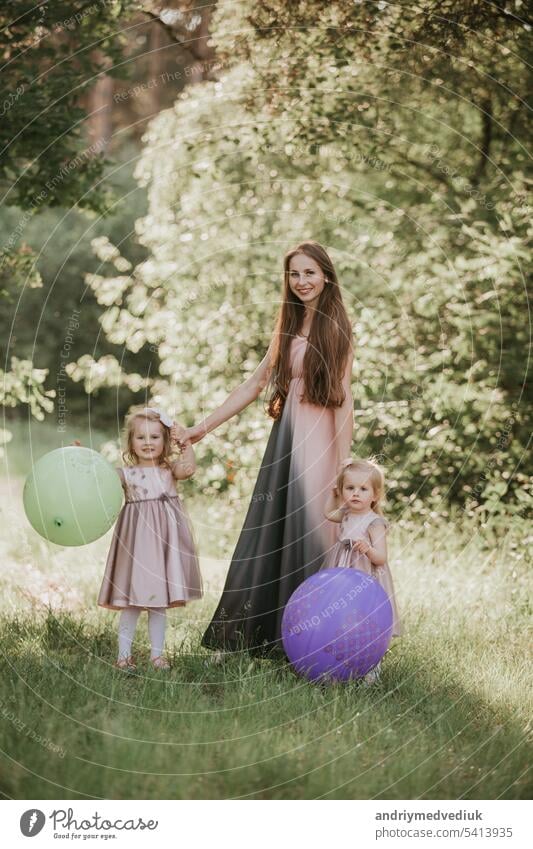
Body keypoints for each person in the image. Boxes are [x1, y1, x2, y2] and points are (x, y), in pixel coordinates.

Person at [181, 240, 354, 654]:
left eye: (309, 272)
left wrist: (343, 467)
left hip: (319, 447)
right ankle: (247, 638)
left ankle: (313, 642)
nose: (302, 281)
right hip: (284, 441)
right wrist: (200, 429)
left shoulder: (338, 328)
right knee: (267, 533)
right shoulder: (288, 326)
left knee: (312, 536)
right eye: (294, 274)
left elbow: (344, 400)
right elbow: (254, 385)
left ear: (326, 275)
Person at [97, 405, 203, 670]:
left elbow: (189, 468)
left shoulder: (170, 471)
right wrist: (84, 462)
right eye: (140, 437)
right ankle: (123, 656)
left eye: (154, 437)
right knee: (131, 602)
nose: (147, 442)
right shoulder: (125, 474)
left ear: (165, 441)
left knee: (159, 603)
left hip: (164, 545)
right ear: (131, 442)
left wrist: (185, 441)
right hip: (135, 547)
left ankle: (157, 655)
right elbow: (98, 481)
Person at [323, 457, 402, 683]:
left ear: (375, 495)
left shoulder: (374, 522)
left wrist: (367, 549)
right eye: (349, 488)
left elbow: (381, 557)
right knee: (342, 617)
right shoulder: (346, 513)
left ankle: (372, 666)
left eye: (363, 489)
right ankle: (338, 663)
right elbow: (328, 514)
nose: (356, 494)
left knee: (366, 620)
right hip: (343, 573)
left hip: (366, 576)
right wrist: (333, 496)